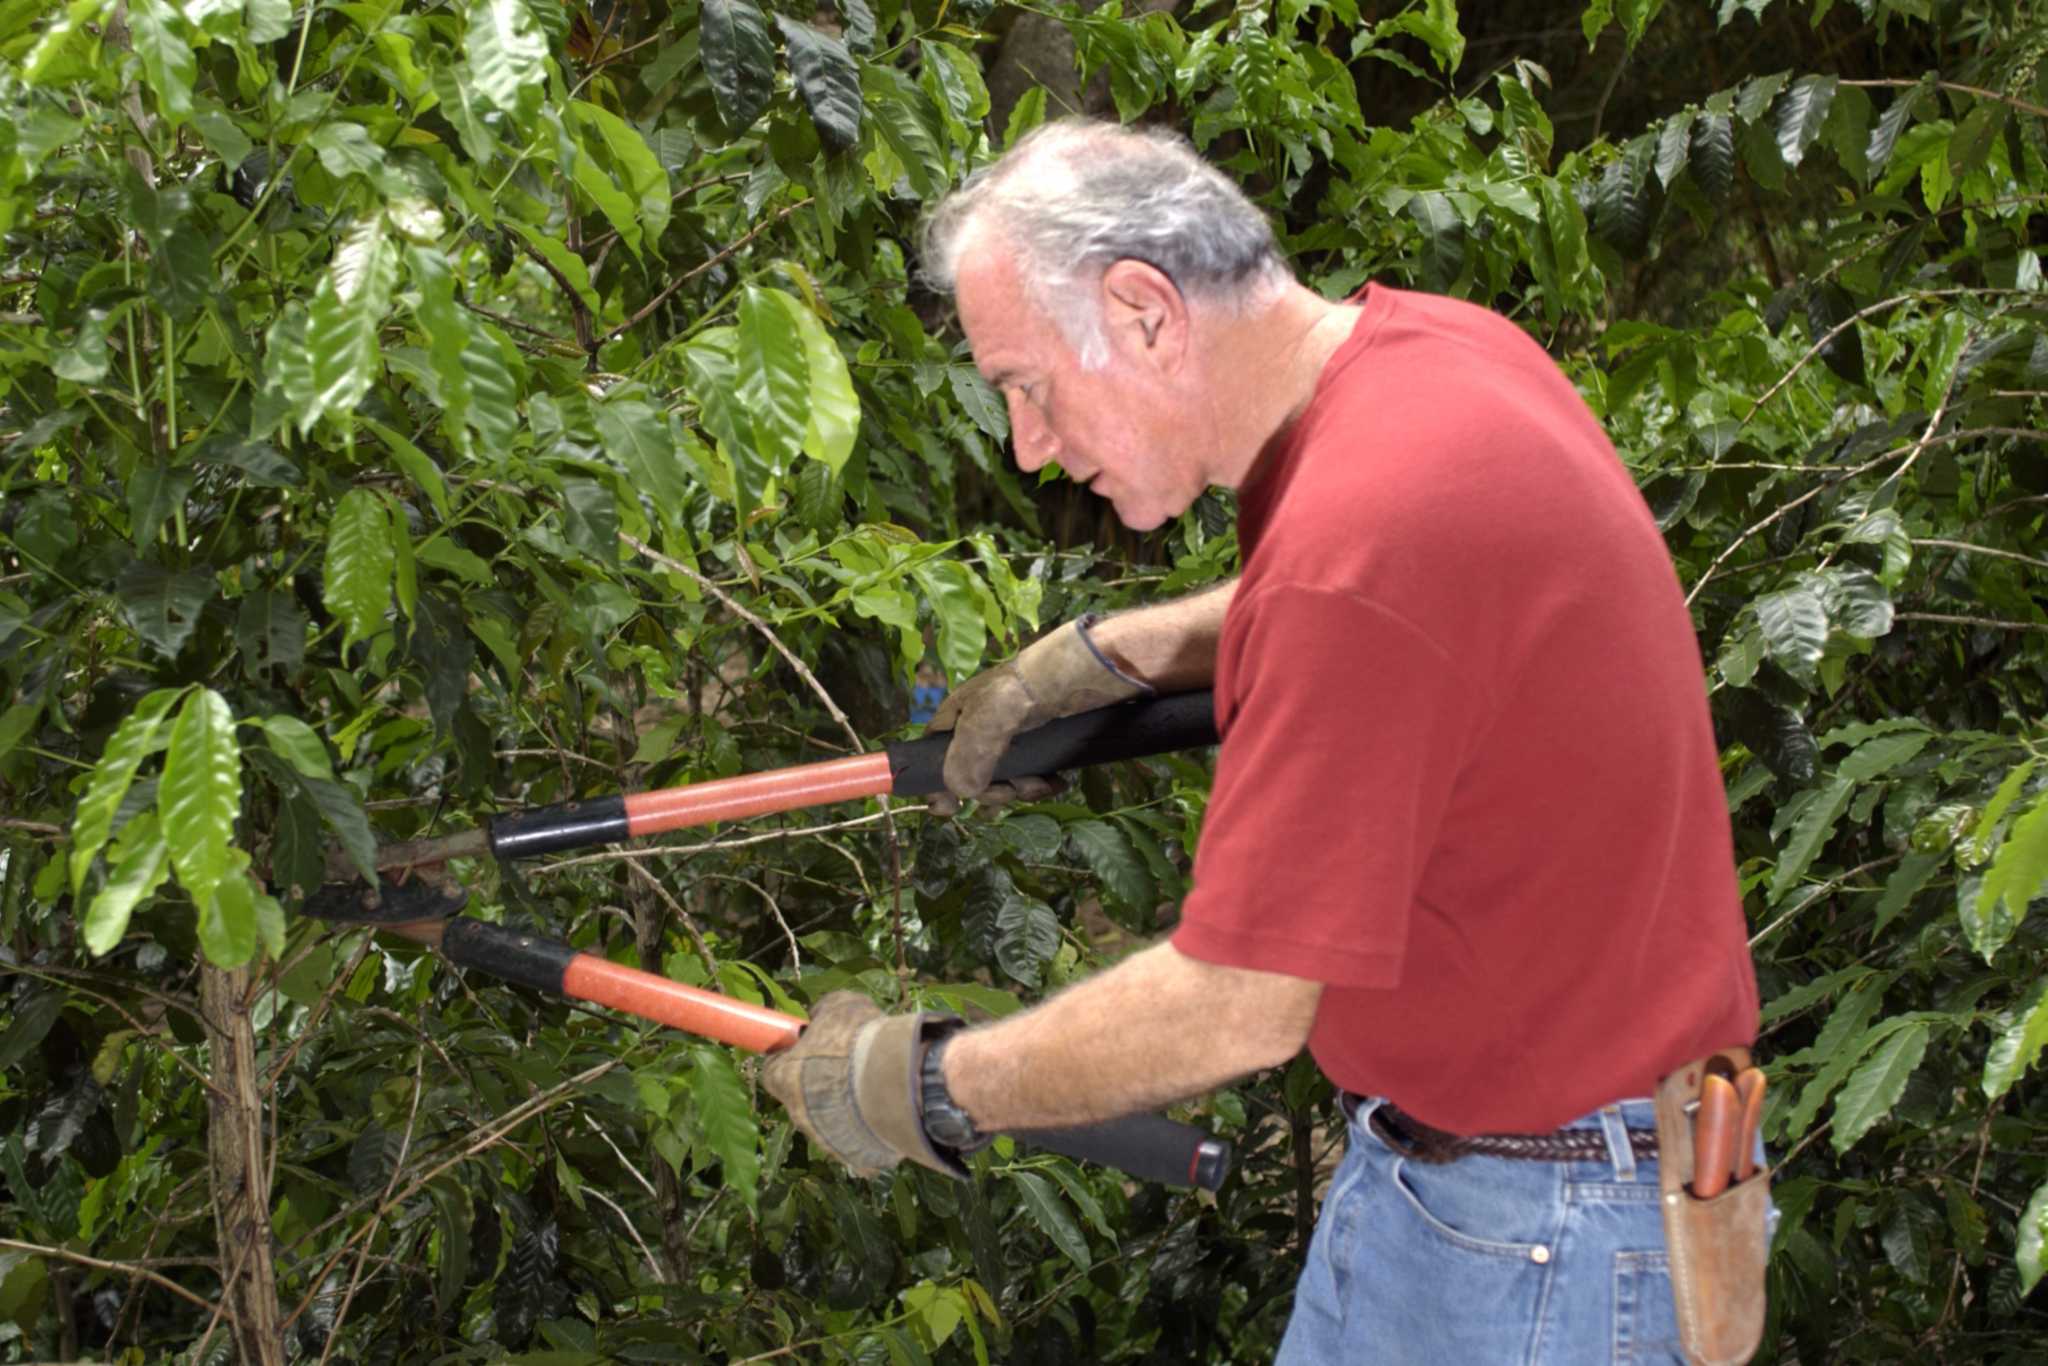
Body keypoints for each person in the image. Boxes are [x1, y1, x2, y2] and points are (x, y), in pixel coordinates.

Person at [762, 119, 1764, 1363]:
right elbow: (1409, 604)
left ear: (1142, 312)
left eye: (1023, 383)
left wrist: (920, 1082)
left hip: (1540, 1236)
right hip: (1466, 1178)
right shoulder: (1429, 360)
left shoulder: (1358, 548)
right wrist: (1118, 651)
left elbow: (1234, 1008)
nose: (1028, 444)